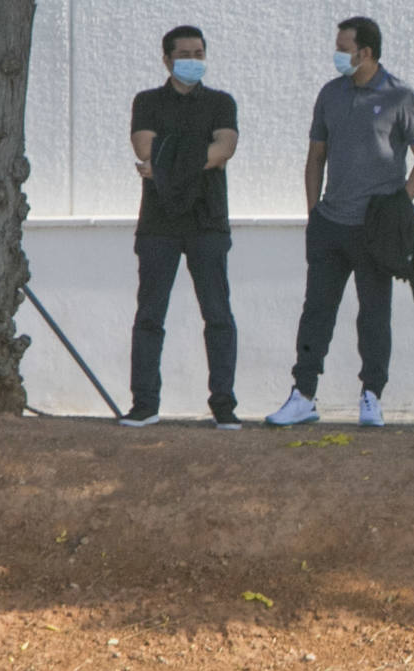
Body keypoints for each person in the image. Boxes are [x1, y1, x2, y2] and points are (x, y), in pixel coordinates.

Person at [265, 16, 414, 428]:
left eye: (344, 48)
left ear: (366, 53)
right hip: (330, 223)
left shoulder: (400, 97)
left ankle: (371, 396)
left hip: (375, 229)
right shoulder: (330, 94)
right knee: (316, 311)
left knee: (374, 315)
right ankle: (302, 394)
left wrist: (398, 207)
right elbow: (315, 157)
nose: (338, 55)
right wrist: (312, 213)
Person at [122, 25, 241, 430]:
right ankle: (144, 404)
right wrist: (197, 156)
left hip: (208, 221)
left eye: (199, 53)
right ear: (167, 59)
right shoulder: (148, 101)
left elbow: (224, 148)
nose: (193, 61)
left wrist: (166, 164)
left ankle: (223, 404)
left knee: (218, 315)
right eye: (184, 54)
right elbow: (143, 147)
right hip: (158, 224)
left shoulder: (222, 103)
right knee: (150, 315)